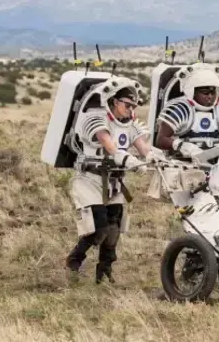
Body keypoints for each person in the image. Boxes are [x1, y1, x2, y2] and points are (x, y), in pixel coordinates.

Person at [65, 77, 153, 284]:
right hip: (90, 179)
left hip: (114, 183)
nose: (130, 110)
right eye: (126, 105)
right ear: (114, 101)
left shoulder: (130, 126)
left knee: (114, 230)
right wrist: (126, 158)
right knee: (99, 227)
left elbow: (143, 147)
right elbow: (108, 144)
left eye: (134, 106)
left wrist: (150, 158)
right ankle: (74, 259)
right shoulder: (96, 119)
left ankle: (104, 271)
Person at [153, 64, 219, 161]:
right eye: (205, 92)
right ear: (192, 92)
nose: (210, 96)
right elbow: (160, 140)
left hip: (217, 164)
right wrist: (180, 145)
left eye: (212, 92)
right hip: (182, 163)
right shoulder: (179, 110)